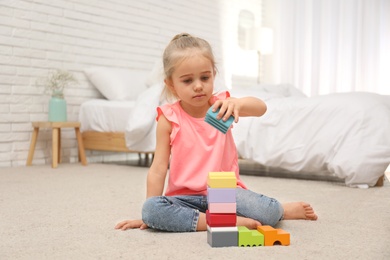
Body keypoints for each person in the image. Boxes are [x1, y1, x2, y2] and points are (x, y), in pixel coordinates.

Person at [115, 33, 317, 232]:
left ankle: (282, 210)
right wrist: (149, 216)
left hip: (225, 193)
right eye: (187, 81)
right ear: (171, 84)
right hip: (184, 199)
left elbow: (261, 108)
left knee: (268, 212)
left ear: (213, 73)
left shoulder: (222, 107)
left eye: (205, 77)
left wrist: (237, 103)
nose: (198, 86)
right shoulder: (168, 118)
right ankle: (223, 221)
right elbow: (158, 168)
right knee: (151, 211)